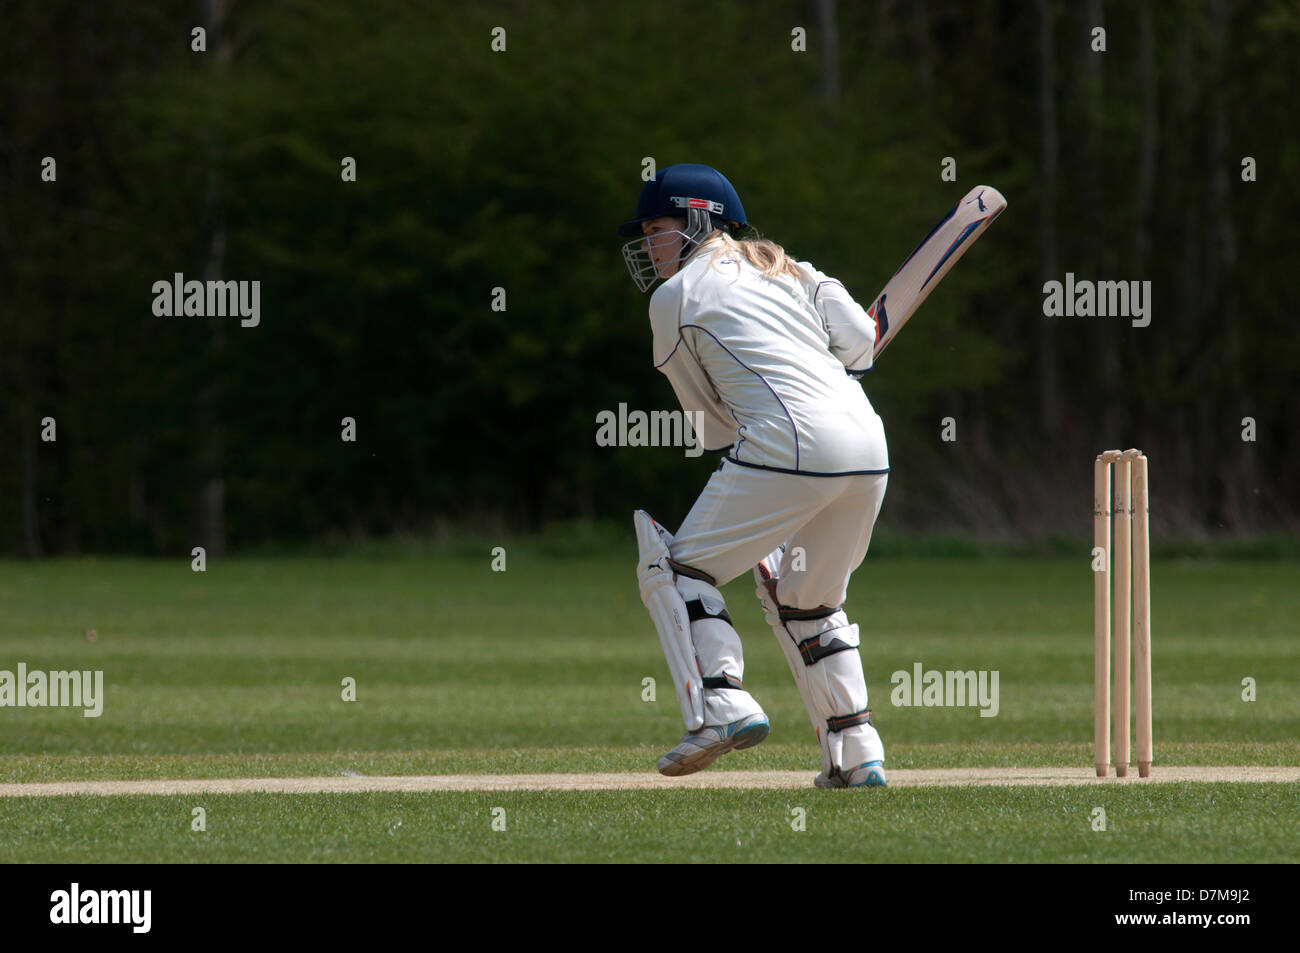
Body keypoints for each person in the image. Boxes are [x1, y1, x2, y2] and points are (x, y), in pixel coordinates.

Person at [622, 163, 890, 788]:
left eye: (656, 228)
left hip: (788, 445)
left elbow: (713, 427)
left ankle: (722, 704)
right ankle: (857, 755)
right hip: (869, 446)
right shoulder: (796, 271)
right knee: (810, 602)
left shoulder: (675, 298)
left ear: (694, 220)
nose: (647, 243)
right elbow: (862, 347)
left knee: (679, 568)